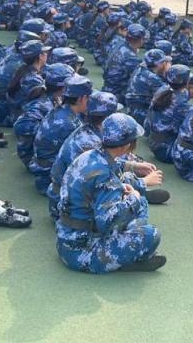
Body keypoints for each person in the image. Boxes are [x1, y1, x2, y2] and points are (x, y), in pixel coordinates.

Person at [56, 113, 165, 273]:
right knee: (151, 234)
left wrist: (132, 168)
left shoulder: (89, 155)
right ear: (126, 145)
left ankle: (128, 249)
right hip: (82, 251)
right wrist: (133, 198)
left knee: (140, 203)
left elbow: (110, 167)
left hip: (67, 239)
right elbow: (107, 223)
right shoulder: (103, 174)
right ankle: (129, 259)